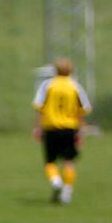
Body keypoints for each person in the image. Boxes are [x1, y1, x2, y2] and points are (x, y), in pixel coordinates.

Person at [33, 57, 91, 205]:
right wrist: (81, 132)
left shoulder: (48, 85)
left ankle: (56, 181)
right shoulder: (75, 86)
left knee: (50, 161)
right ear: (71, 70)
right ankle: (67, 192)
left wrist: (38, 127)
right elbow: (82, 111)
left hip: (51, 128)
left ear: (55, 70)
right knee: (68, 161)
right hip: (69, 129)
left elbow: (40, 107)